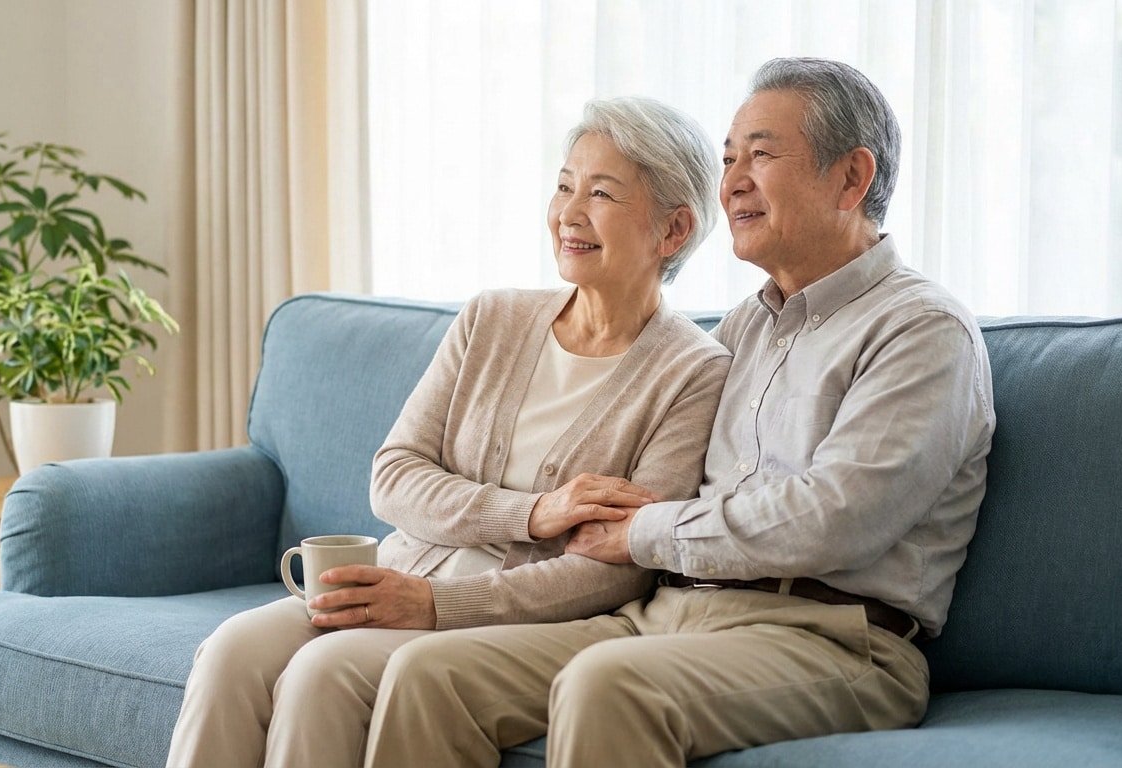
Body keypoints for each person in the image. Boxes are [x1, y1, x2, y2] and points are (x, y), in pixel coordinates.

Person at [363, 57, 997, 767]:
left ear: (851, 178)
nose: (731, 183)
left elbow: (837, 518)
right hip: (672, 613)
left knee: (607, 687)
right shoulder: (740, 333)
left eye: (760, 155)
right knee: (430, 676)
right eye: (728, 159)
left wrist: (644, 532)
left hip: (835, 636)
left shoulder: (921, 328)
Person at [166, 97, 734, 768]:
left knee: (324, 674)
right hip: (397, 575)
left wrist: (437, 603)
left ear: (673, 231)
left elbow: (617, 571)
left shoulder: (692, 372)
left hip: (511, 623)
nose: (569, 213)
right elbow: (394, 475)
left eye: (602, 193)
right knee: (232, 651)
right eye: (563, 185)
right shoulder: (491, 320)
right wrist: (534, 513)